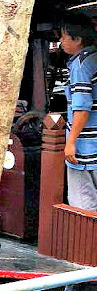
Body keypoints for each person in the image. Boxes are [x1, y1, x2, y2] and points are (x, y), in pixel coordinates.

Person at [60, 15, 97, 211]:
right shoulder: (95, 57)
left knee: (83, 204)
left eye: (65, 37)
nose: (61, 41)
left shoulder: (81, 65)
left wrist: (71, 142)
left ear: (78, 40)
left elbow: (82, 108)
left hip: (85, 146)